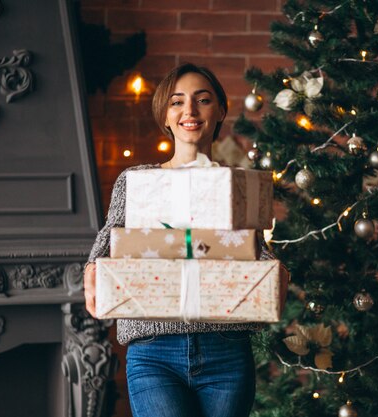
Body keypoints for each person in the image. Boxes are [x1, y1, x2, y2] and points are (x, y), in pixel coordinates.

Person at [83, 63, 286, 417]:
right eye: (177, 102)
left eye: (202, 100)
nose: (189, 111)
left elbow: (255, 251)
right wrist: (91, 270)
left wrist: (275, 273)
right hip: (153, 350)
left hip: (226, 350)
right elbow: (107, 243)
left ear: (220, 110)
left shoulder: (238, 185)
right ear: (164, 114)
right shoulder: (136, 181)